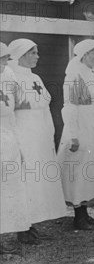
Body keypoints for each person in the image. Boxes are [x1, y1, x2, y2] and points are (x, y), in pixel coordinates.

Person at [7, 38, 66, 244]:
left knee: (39, 183)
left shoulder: (36, 78)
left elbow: (44, 106)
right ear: (20, 55)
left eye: (37, 52)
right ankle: (23, 228)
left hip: (41, 135)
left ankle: (33, 224)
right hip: (25, 136)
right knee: (26, 182)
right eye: (33, 52)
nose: (37, 56)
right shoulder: (10, 78)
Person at [57, 39, 94, 230]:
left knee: (91, 167)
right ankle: (78, 217)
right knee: (79, 170)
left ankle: (86, 214)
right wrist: (72, 134)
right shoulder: (74, 74)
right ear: (84, 54)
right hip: (81, 124)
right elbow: (70, 105)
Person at [0, 42, 28, 254]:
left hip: (7, 140)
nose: (5, 63)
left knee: (8, 192)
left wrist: (17, 145)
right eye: (2, 58)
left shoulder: (6, 78)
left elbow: (13, 112)